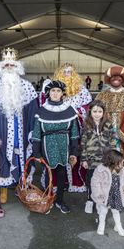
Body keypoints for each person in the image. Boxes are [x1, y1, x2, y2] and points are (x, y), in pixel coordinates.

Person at [0, 48, 38, 203]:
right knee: (2, 156)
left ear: (17, 67)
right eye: (6, 66)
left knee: (22, 155)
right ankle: (4, 188)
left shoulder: (27, 87)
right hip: (1, 132)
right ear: (1, 68)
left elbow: (33, 112)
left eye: (12, 65)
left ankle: (22, 184)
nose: (9, 68)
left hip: (21, 130)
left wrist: (34, 131)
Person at [95, 66, 124, 202]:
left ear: (123, 80)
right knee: (106, 164)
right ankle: (107, 191)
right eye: (113, 78)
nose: (115, 80)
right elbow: (96, 113)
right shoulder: (102, 95)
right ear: (109, 80)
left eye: (118, 78)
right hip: (106, 136)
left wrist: (121, 133)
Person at [32, 80, 79, 214]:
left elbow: (74, 134)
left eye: (58, 91)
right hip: (47, 145)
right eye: (53, 91)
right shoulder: (41, 111)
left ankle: (60, 200)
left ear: (62, 93)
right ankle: (48, 199)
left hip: (64, 145)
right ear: (48, 93)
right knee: (49, 174)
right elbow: (36, 134)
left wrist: (74, 152)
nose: (55, 93)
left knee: (62, 173)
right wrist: (37, 153)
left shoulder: (69, 110)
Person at [53, 63, 92, 192]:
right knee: (59, 152)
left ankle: (76, 181)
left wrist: (77, 111)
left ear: (74, 74)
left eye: (70, 72)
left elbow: (87, 107)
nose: (67, 74)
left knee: (75, 152)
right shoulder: (56, 90)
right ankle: (60, 182)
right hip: (59, 127)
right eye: (64, 72)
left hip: (77, 126)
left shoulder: (81, 89)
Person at [80, 100, 115, 214]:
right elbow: (83, 144)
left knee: (104, 181)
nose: (97, 114)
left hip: (105, 160)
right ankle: (90, 200)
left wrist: (113, 158)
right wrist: (84, 159)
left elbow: (113, 142)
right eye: (94, 111)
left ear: (103, 112)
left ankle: (100, 202)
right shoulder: (86, 125)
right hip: (91, 161)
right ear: (90, 112)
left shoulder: (108, 125)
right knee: (91, 181)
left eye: (100, 111)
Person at [91, 149, 124, 236]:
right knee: (103, 211)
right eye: (120, 162)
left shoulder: (121, 170)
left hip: (116, 195)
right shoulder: (100, 170)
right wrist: (98, 194)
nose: (122, 164)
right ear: (113, 162)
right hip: (104, 196)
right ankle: (101, 225)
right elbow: (95, 183)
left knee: (116, 211)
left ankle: (118, 226)